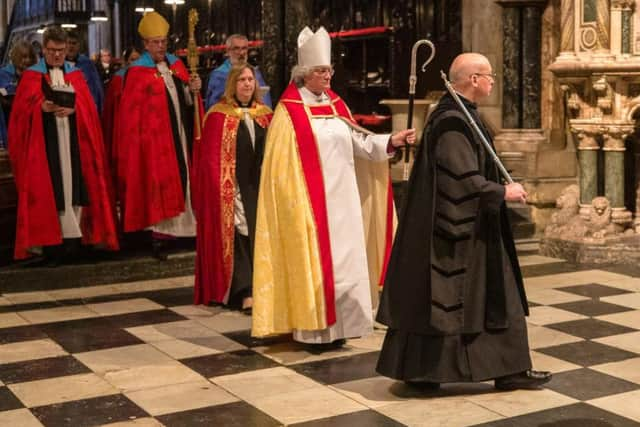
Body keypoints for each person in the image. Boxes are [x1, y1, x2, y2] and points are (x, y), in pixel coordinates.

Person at [375, 53, 552, 391]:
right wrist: (502, 192)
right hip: (456, 232)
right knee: (456, 300)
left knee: (493, 297)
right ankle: (425, 372)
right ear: (473, 80)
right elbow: (460, 180)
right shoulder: (452, 121)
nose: (493, 81)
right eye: (489, 75)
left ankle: (509, 368)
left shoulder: (465, 114)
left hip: (476, 225)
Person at [251, 26, 415, 349]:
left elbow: (359, 142)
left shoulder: (337, 104)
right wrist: (293, 203)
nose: (328, 76)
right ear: (306, 74)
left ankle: (344, 328)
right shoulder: (289, 113)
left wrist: (390, 141)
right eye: (322, 71)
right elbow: (280, 171)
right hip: (309, 205)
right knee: (314, 265)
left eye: (329, 70)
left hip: (344, 203)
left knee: (346, 262)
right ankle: (314, 331)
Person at [8, 26, 118, 261]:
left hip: (74, 143)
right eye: (51, 51)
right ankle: (51, 244)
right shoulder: (31, 77)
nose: (56, 55)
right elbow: (18, 117)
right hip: (46, 147)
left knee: (75, 186)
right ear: (43, 50)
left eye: (60, 50)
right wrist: (40, 108)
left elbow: (89, 110)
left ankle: (77, 241)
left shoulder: (76, 74)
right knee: (52, 190)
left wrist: (76, 108)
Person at [115, 12, 202, 259]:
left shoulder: (176, 64)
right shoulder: (136, 72)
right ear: (145, 44)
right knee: (159, 183)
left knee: (184, 177)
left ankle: (188, 230)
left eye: (164, 41)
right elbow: (133, 116)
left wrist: (192, 89)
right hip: (153, 143)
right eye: (155, 42)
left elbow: (187, 101)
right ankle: (162, 235)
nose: (161, 46)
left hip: (179, 135)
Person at [194, 64, 273, 312]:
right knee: (239, 235)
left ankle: (263, 286)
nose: (247, 84)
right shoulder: (218, 116)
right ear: (232, 84)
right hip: (233, 188)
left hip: (259, 187)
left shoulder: (266, 115)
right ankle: (244, 290)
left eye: (250, 79)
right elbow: (209, 160)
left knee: (259, 234)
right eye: (242, 80)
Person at [102, 46, 140, 187]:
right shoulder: (119, 79)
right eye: (132, 60)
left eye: (138, 60)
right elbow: (112, 108)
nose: (135, 63)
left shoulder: (146, 75)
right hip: (123, 128)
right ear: (125, 61)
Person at [205, 34, 271, 110]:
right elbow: (214, 106)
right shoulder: (219, 75)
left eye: (244, 48)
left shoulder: (255, 72)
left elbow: (265, 102)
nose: (241, 52)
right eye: (236, 48)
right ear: (228, 51)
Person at [0, 39, 38, 138]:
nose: (28, 60)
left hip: (29, 124)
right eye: (24, 57)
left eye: (30, 57)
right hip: (8, 122)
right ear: (16, 57)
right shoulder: (3, 74)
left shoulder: (36, 75)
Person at [65, 29, 104, 112]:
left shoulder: (87, 64)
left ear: (78, 45)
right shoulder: (58, 63)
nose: (71, 46)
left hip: (85, 107)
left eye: (74, 43)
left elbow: (96, 87)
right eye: (68, 43)